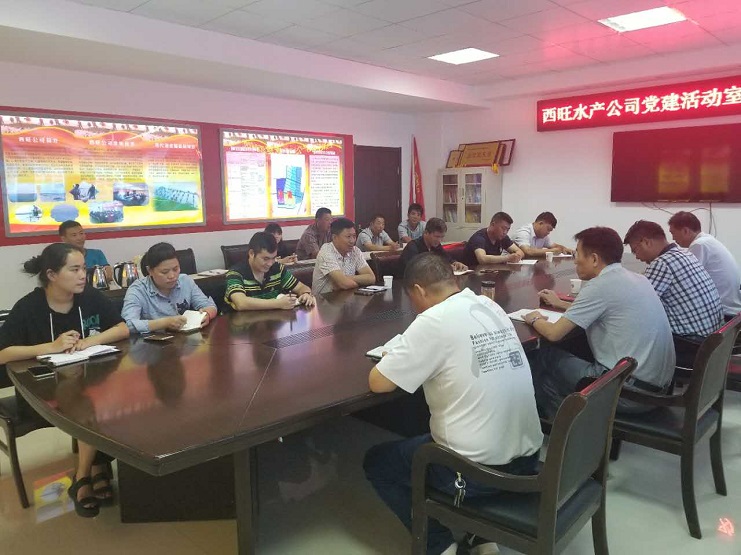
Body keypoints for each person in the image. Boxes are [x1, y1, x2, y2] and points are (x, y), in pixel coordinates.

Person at [364, 253, 543, 555]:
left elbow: (378, 382)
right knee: (444, 424)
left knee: (378, 463)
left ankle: (440, 545)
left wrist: (396, 355)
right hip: (529, 460)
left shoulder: (433, 320)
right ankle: (480, 535)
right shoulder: (487, 305)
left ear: (418, 290)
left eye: (413, 300)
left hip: (477, 474)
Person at [0, 243, 130, 518]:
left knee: (108, 400)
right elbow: (3, 353)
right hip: (41, 395)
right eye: (74, 269)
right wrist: (50, 347)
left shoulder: (89, 297)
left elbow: (121, 328)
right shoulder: (29, 307)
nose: (83, 275)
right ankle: (85, 475)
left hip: (86, 384)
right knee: (90, 406)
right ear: (52, 274)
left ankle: (95, 466)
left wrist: (90, 341)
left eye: (84, 268)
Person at [523, 226, 675, 419]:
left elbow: (553, 333)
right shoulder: (637, 279)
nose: (575, 260)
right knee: (575, 347)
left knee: (542, 356)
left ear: (594, 259)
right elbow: (605, 310)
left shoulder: (599, 286)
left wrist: (534, 318)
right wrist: (560, 303)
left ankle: (563, 424)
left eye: (577, 254)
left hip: (628, 393)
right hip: (659, 388)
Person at [623, 220, 723, 337]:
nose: (637, 257)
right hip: (713, 335)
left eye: (635, 250)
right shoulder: (685, 254)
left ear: (646, 242)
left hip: (691, 341)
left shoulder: (662, 263)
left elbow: (637, 305)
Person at [121, 242, 217, 334]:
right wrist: (164, 323)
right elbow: (127, 325)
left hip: (185, 339)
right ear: (150, 270)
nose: (172, 276)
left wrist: (207, 314)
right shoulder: (137, 290)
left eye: (175, 269)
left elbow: (209, 305)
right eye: (164, 272)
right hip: (152, 342)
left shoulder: (185, 281)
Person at [668, 211, 741, 320]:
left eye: (673, 233)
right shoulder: (707, 240)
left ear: (685, 231)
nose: (673, 238)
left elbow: (684, 281)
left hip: (724, 312)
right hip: (732, 307)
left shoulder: (699, 245)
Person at [225, 232, 316, 311]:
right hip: (240, 323)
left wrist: (306, 294)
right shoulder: (235, 273)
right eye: (265, 259)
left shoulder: (277, 269)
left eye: (273, 258)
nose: (270, 263)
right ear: (251, 253)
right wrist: (279, 303)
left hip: (271, 322)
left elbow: (301, 287)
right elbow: (241, 303)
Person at [312, 218, 376, 295]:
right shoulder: (326, 251)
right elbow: (344, 284)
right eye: (348, 237)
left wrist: (345, 279)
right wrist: (356, 282)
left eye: (354, 236)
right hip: (324, 300)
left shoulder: (355, 251)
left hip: (347, 297)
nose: (352, 241)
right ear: (334, 237)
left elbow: (371, 278)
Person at [399, 217, 467, 273]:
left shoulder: (436, 245)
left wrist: (455, 263)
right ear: (426, 233)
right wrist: (444, 268)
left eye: (442, 237)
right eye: (437, 236)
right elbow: (414, 271)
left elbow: (447, 259)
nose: (439, 240)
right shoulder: (413, 247)